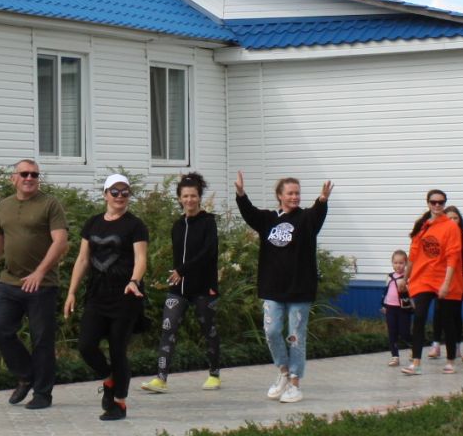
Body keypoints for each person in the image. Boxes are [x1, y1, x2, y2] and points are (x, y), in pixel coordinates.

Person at [0, 159, 70, 410]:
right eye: (24, 173)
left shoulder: (50, 204)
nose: (29, 178)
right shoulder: (4, 206)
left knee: (42, 340)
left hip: (42, 284)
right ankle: (26, 375)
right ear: (13, 178)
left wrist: (39, 272)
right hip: (9, 282)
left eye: (34, 174)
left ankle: (43, 394)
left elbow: (60, 242)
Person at [234, 170, 331, 403]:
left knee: (295, 336)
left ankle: (295, 383)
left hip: (300, 289)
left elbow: (316, 216)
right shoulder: (268, 219)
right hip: (273, 288)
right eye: (290, 193)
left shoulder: (306, 219)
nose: (295, 197)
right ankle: (283, 372)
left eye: (297, 193)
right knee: (271, 330)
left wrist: (322, 201)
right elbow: (249, 213)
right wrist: (240, 194)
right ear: (279, 195)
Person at [65, 175, 149, 422]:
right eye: (115, 191)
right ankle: (109, 378)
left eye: (125, 192)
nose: (120, 196)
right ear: (105, 195)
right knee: (86, 345)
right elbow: (82, 260)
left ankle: (119, 403)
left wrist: (134, 281)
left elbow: (141, 258)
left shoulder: (135, 225)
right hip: (97, 294)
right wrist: (71, 292)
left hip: (125, 296)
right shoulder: (92, 224)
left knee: (117, 349)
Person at [144, 172, 222, 393]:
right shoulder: (177, 225)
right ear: (179, 198)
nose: (190, 200)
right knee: (168, 328)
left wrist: (182, 270)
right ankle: (160, 379)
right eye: (185, 196)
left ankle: (214, 374)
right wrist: (178, 273)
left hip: (203, 288)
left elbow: (209, 253)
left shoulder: (208, 222)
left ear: (199, 197)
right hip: (178, 289)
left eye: (194, 196)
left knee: (209, 330)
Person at [403, 190, 463, 376]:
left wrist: (446, 283)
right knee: (420, 316)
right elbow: (413, 255)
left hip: (443, 278)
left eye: (441, 202)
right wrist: (405, 279)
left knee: (447, 319)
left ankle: (451, 360)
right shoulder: (422, 225)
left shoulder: (450, 227)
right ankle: (416, 362)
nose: (437, 206)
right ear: (428, 203)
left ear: (445, 204)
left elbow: (453, 256)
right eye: (433, 202)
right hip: (423, 278)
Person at [381, 250, 411, 366]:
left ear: (406, 263)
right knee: (392, 332)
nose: (398, 265)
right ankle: (395, 356)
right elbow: (386, 292)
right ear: (392, 263)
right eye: (395, 262)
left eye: (401, 263)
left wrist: (406, 287)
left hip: (403, 309)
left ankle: (413, 349)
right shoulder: (389, 277)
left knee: (404, 332)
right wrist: (384, 305)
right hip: (390, 308)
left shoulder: (407, 277)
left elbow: (411, 293)